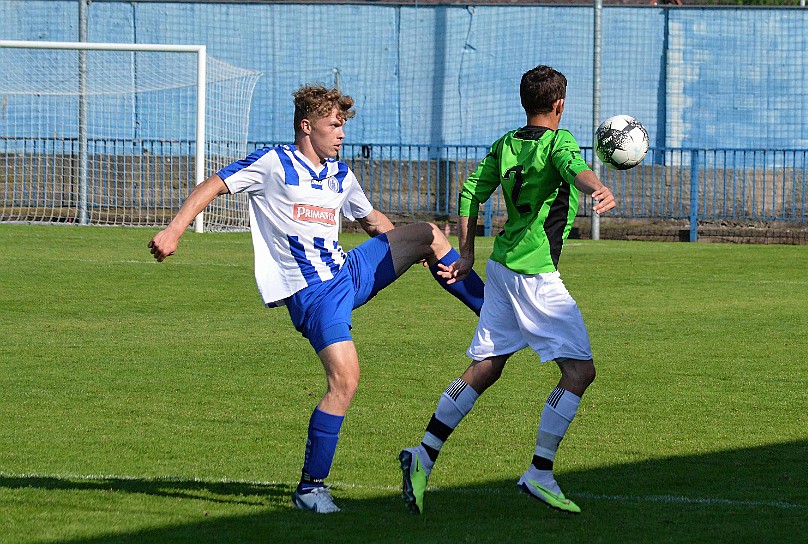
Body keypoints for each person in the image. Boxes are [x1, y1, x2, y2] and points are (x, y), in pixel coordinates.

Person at [148, 84, 484, 514]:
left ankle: (491, 310)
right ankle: (310, 488)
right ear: (307, 127)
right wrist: (175, 229)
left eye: (343, 125)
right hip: (312, 294)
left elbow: (371, 219)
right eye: (334, 125)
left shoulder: (340, 174)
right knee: (345, 380)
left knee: (428, 235)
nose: (341, 134)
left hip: (348, 272)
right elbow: (213, 184)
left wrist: (405, 248)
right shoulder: (274, 163)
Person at [398, 65, 616, 515]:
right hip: (534, 275)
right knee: (580, 373)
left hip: (500, 267)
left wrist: (467, 253)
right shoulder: (560, 142)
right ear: (559, 105)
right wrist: (600, 188)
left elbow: (470, 193)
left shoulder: (505, 144)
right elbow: (575, 171)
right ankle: (539, 471)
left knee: (487, 365)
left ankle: (423, 455)